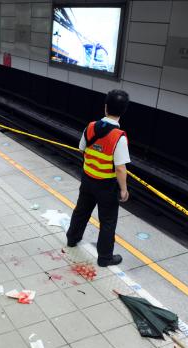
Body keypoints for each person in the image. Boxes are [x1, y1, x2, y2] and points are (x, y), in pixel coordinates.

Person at [65, 89, 131, 267]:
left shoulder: (91, 126)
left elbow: (81, 148)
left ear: (106, 107)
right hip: (106, 186)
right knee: (108, 221)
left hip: (87, 179)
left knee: (81, 211)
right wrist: (124, 189)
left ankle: (72, 239)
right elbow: (120, 168)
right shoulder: (119, 137)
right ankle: (105, 258)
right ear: (123, 111)